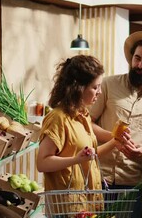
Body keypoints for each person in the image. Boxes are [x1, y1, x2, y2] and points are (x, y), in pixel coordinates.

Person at [89, 31, 142, 217]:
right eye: (137, 58)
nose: (139, 65)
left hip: (132, 184)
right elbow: (87, 123)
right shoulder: (107, 85)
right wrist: (113, 138)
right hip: (96, 178)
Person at [37, 55, 118, 214]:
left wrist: (116, 142)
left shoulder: (83, 116)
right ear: (78, 88)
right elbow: (42, 162)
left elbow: (89, 157)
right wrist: (76, 159)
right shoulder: (58, 118)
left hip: (87, 204)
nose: (99, 92)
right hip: (67, 209)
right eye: (95, 87)